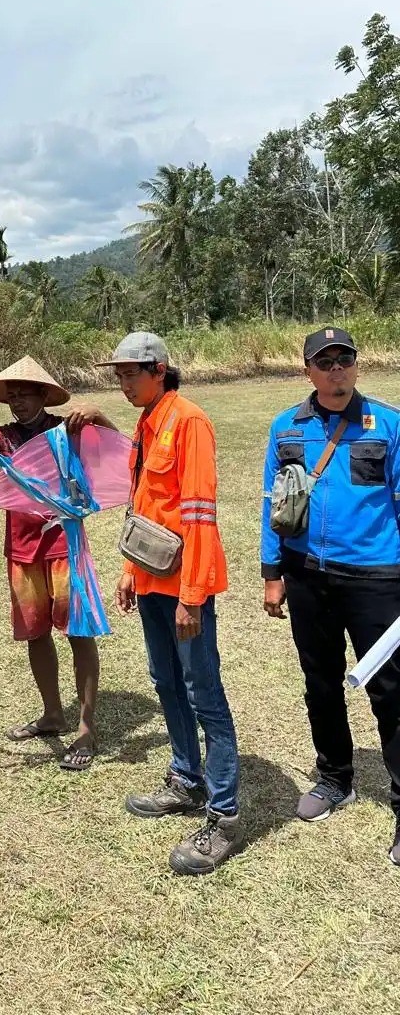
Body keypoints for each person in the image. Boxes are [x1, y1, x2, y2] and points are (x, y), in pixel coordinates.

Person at [99, 332, 242, 875]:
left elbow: (199, 513)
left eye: (130, 373)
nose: (122, 382)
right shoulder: (146, 420)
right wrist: (131, 571)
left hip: (184, 589)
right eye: (119, 374)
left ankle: (223, 815)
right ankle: (186, 777)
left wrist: (193, 597)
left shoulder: (189, 421)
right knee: (165, 682)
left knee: (203, 693)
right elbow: (144, 506)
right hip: (153, 580)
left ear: (158, 369)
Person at [262, 327, 400, 864]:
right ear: (308, 371)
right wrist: (272, 573)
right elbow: (273, 504)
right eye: (325, 362)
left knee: (391, 691)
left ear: (356, 367)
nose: (336, 369)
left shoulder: (387, 424)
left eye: (344, 359)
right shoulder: (285, 428)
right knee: (319, 680)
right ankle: (333, 777)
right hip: (306, 576)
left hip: (376, 576)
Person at [0, 355, 114, 771]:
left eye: (26, 394)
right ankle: (52, 714)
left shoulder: (67, 429)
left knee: (77, 632)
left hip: (66, 546)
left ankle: (85, 726)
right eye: (12, 396)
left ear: (44, 395)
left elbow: (121, 450)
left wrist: (101, 416)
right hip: (22, 550)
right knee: (35, 633)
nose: (18, 402)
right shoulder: (3, 437)